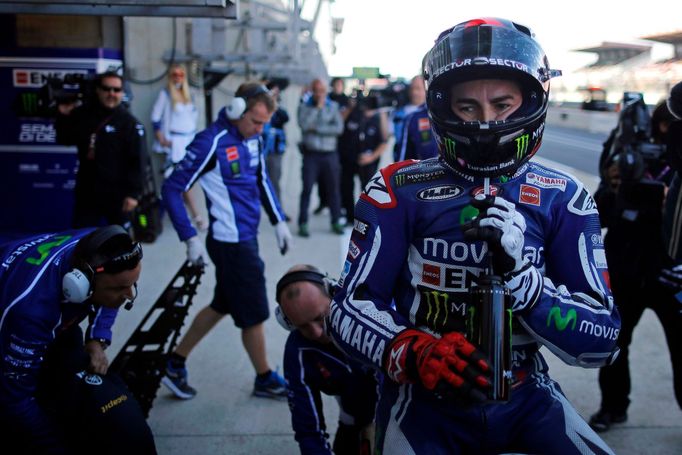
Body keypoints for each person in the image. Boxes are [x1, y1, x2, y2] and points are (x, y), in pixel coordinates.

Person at [329, 18, 620, 454]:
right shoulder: (394, 189)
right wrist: (413, 351)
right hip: (422, 401)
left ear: (530, 102)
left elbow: (603, 341)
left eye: (502, 104)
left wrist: (525, 283)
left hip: (526, 395)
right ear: (443, 108)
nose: (486, 122)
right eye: (468, 107)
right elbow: (347, 308)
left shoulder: (565, 198)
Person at [161, 82, 293, 400]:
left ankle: (174, 362)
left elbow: (261, 179)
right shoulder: (211, 141)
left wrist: (277, 222)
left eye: (265, 124)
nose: (261, 130)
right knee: (254, 313)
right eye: (256, 122)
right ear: (236, 110)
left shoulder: (254, 139)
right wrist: (189, 236)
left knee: (223, 304)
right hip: (230, 244)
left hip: (246, 237)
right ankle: (264, 378)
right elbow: (171, 188)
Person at [0, 225, 156, 454]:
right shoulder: (31, 312)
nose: (130, 295)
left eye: (133, 284)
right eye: (120, 288)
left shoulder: (97, 245)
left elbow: (112, 299)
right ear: (80, 284)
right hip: (16, 315)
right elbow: (15, 402)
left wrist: (97, 337)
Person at [589, 96, 682, 432]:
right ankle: (612, 408)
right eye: (664, 127)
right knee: (613, 345)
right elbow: (595, 216)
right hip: (625, 270)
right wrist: (615, 187)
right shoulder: (628, 156)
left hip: (673, 274)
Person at [276, 265, 378, 454]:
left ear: (334, 293)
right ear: (287, 323)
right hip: (352, 414)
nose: (315, 333)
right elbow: (308, 430)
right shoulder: (298, 352)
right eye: (302, 326)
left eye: (320, 317)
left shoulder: (371, 316)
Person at [56, 71, 147, 228]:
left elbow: (138, 161)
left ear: (122, 93)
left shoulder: (130, 123)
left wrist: (133, 194)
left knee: (120, 244)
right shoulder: (82, 114)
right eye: (106, 89)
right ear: (98, 90)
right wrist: (62, 116)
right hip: (87, 193)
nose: (111, 93)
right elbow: (65, 139)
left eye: (116, 90)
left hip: (119, 195)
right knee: (82, 241)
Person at [151, 63, 206, 231]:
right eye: (175, 74)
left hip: (188, 142)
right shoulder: (166, 94)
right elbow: (155, 117)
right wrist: (161, 138)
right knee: (177, 182)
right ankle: (191, 217)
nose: (178, 78)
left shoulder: (190, 95)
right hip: (175, 145)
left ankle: (190, 217)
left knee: (183, 182)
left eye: (181, 74)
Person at [297, 78, 345, 237]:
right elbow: (304, 124)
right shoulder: (305, 106)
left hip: (330, 154)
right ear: (312, 91)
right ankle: (303, 222)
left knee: (334, 189)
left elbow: (338, 128)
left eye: (322, 91)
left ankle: (336, 220)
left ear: (326, 91)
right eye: (316, 90)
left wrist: (316, 128)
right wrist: (317, 109)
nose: (319, 94)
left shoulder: (333, 107)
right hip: (311, 154)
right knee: (307, 189)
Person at [338, 95, 389, 223]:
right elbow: (339, 124)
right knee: (346, 188)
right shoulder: (352, 113)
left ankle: (366, 218)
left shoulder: (378, 118)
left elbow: (384, 141)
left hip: (368, 162)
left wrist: (371, 157)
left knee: (368, 191)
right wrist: (350, 107)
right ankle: (350, 217)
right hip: (348, 160)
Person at [262, 78, 291, 206]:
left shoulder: (278, 107)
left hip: (274, 150)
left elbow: (285, 118)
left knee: (274, 179)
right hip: (259, 149)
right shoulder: (260, 104)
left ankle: (277, 208)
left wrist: (273, 102)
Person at [391, 75, 426, 162]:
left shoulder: (432, 112)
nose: (414, 92)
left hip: (427, 164)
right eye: (412, 88)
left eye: (418, 88)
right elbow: (387, 135)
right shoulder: (398, 111)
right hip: (403, 161)